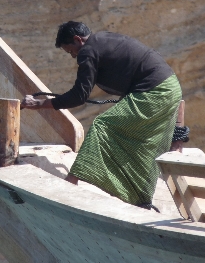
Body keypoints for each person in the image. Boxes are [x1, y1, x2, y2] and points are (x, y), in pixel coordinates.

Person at [21, 21, 182, 209]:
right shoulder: (103, 39)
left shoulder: (87, 50)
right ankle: (141, 200)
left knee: (102, 126)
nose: (74, 56)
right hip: (171, 88)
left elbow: (79, 96)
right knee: (141, 143)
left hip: (155, 91)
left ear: (77, 40)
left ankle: (71, 181)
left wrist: (39, 104)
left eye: (70, 51)